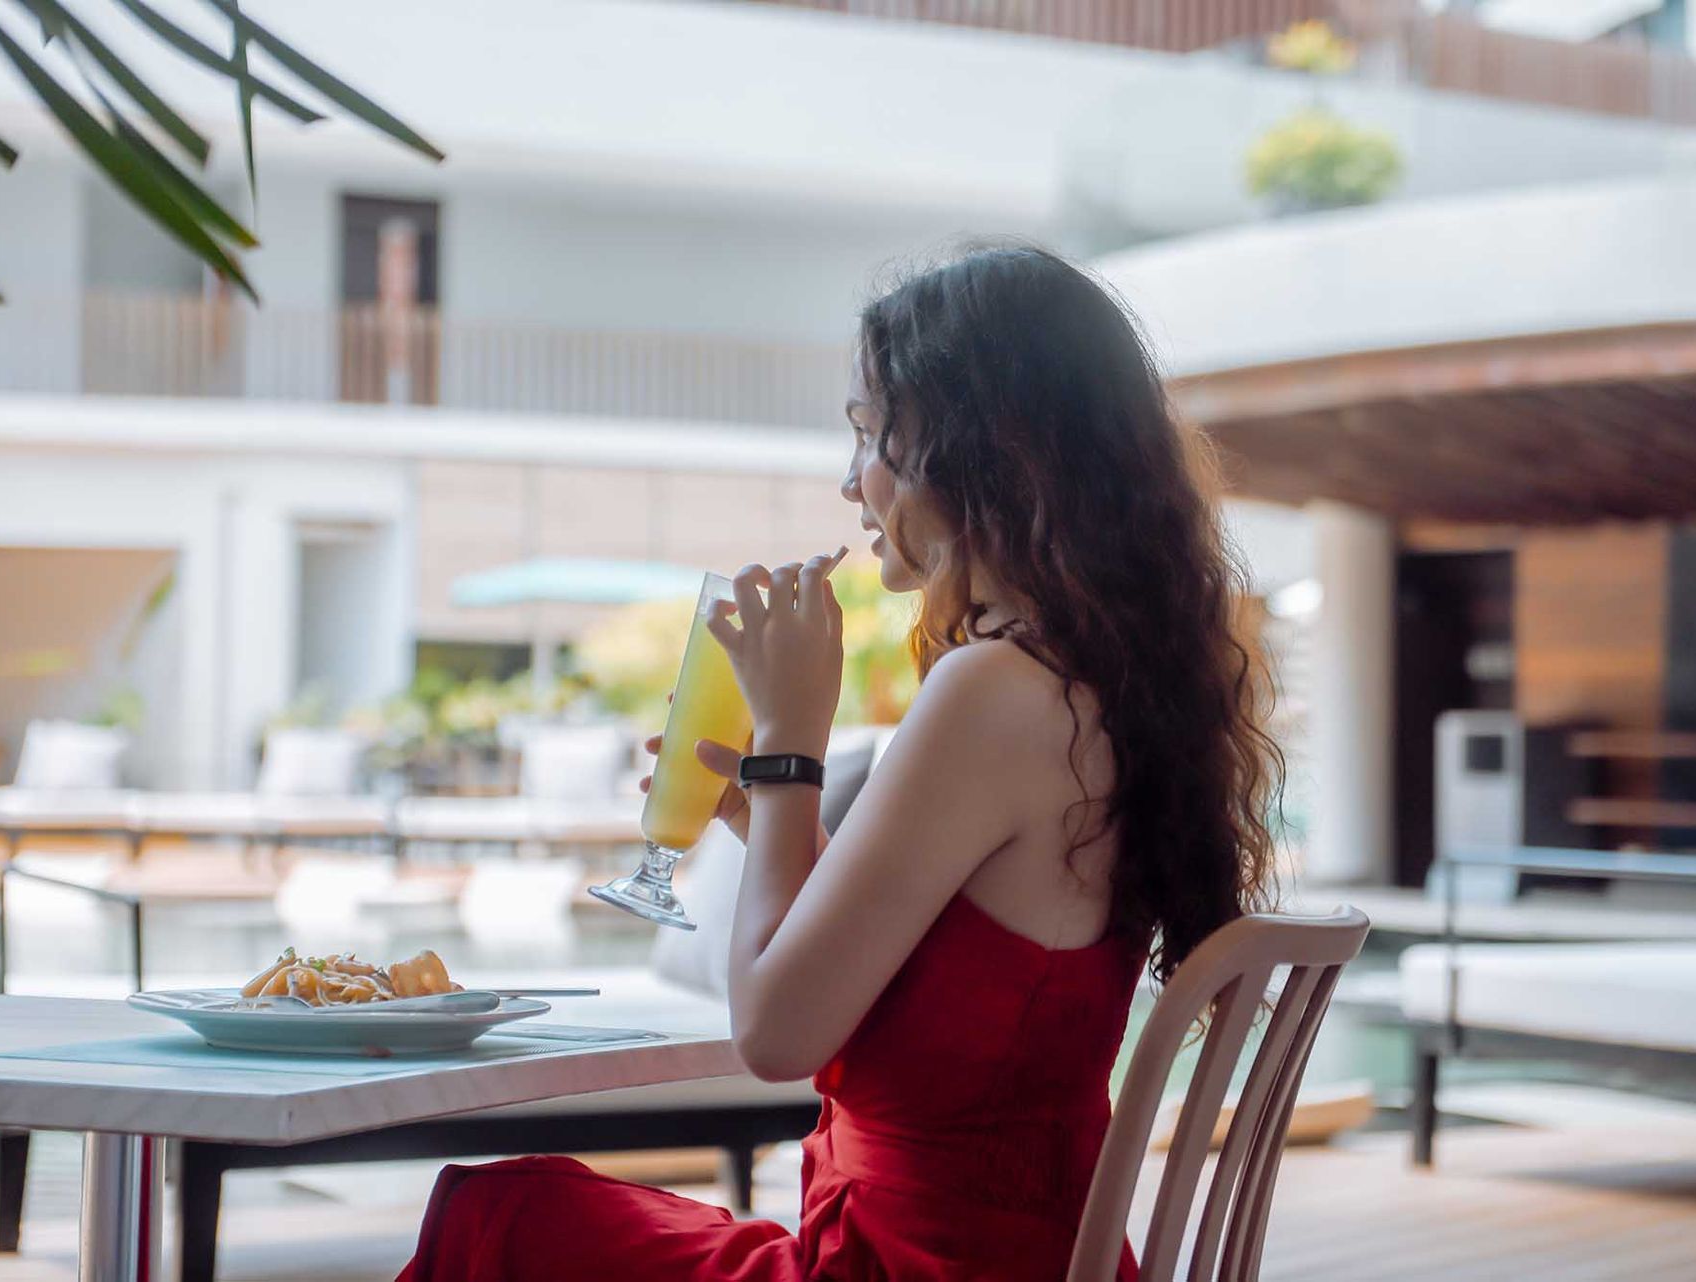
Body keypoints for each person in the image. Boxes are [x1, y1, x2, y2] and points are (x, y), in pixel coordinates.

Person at [397, 245, 1280, 1281]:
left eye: (869, 434)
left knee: (505, 1213)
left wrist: (789, 752)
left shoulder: (994, 691)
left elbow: (776, 1032)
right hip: (1013, 1254)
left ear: (977, 452)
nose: (849, 478)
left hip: (906, 1265)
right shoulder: (1099, 685)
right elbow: (925, 976)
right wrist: (765, 814)